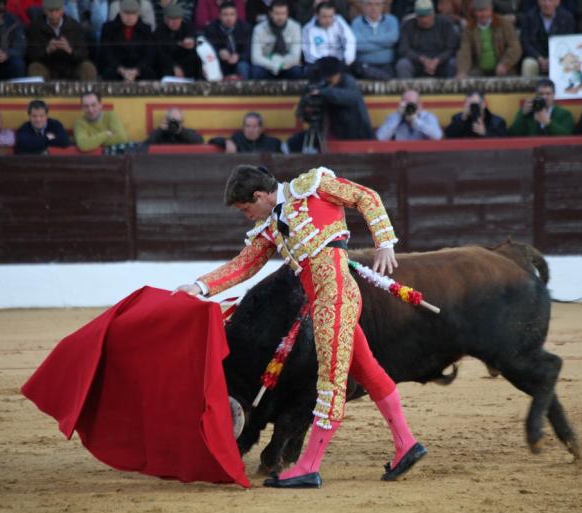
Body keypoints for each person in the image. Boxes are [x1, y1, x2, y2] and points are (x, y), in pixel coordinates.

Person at [176, 164, 427, 489]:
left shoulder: (314, 187)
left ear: (260, 195)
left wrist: (385, 243)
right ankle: (406, 444)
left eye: (245, 208)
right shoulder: (271, 225)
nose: (246, 216)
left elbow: (366, 197)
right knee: (366, 370)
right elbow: (244, 265)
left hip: (333, 298)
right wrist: (200, 286)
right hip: (328, 299)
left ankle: (309, 465)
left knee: (330, 381)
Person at [287, 56, 374, 152]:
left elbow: (350, 97)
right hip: (331, 131)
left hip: (354, 133)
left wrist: (323, 92)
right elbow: (303, 113)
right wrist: (308, 111)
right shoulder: (321, 84)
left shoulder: (346, 81)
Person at [26, 0, 97, 81]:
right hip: (48, 67)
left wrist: (70, 50)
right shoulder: (36, 27)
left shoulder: (74, 26)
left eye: (57, 10)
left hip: (70, 67)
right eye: (50, 11)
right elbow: (31, 55)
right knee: (34, 68)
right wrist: (47, 51)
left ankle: (88, 94)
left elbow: (84, 54)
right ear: (45, 11)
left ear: (63, 10)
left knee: (88, 68)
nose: (54, 15)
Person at [456, 0, 521, 78]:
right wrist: (462, 71)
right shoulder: (469, 28)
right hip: (479, 70)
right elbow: (464, 52)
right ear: (474, 12)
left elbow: (515, 47)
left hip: (503, 70)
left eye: (486, 10)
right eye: (480, 11)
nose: (483, 14)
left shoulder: (504, 23)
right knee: (468, 80)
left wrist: (505, 64)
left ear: (491, 10)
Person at [396, 0, 459, 78]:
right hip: (417, 62)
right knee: (403, 64)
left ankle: (452, 89)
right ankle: (408, 90)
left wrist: (437, 60)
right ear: (416, 16)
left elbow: (451, 48)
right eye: (421, 16)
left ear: (433, 14)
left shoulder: (445, 24)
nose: (424, 20)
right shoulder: (408, 25)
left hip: (441, 62)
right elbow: (403, 49)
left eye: (427, 16)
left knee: (452, 63)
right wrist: (422, 60)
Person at [99, 0, 157, 81]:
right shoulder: (108, 28)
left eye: (133, 14)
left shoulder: (146, 29)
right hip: (116, 69)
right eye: (126, 13)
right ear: (120, 13)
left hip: (139, 69)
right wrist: (120, 69)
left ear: (138, 14)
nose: (130, 17)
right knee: (109, 75)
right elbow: (106, 53)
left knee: (150, 74)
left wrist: (137, 70)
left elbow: (149, 54)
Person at [250, 0, 304, 80]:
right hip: (267, 67)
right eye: (277, 13)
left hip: (286, 66)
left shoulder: (295, 27)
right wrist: (275, 65)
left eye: (283, 13)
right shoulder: (259, 29)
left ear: (287, 13)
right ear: (270, 14)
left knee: (296, 71)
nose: (280, 17)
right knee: (256, 71)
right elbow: (256, 58)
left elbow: (295, 56)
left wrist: (281, 64)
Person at [519, 0, 574, 77]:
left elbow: (569, 42)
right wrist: (539, 58)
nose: (547, 4)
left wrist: (552, 59)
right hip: (536, 57)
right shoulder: (529, 18)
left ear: (558, 2)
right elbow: (525, 42)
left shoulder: (567, 18)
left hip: (559, 57)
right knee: (528, 64)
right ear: (538, 2)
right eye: (544, 0)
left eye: (550, 1)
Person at [350, 0, 399, 81]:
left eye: (377, 4)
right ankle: (382, 77)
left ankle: (380, 76)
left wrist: (368, 40)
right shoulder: (356, 23)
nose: (373, 8)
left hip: (387, 64)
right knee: (361, 69)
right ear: (363, 6)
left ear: (382, 6)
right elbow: (358, 45)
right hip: (365, 65)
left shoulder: (391, 20)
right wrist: (383, 44)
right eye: (369, 4)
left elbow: (392, 40)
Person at [203, 1, 252, 79]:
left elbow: (249, 50)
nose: (229, 18)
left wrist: (238, 56)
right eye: (225, 14)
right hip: (220, 61)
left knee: (243, 66)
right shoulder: (211, 29)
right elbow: (206, 49)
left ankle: (245, 90)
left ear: (236, 15)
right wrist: (219, 52)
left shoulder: (245, 28)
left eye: (232, 14)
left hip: (239, 61)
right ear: (219, 16)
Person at [301, 1, 357, 70]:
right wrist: (326, 66)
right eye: (324, 17)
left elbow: (350, 40)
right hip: (318, 67)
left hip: (340, 64)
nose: (328, 20)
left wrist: (347, 61)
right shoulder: (308, 29)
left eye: (331, 16)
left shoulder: (339, 21)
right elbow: (310, 55)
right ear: (316, 15)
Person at [509, 78, 574, 136]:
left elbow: (568, 137)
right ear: (536, 95)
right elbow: (513, 134)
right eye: (541, 94)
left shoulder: (565, 114)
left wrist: (548, 123)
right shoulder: (527, 111)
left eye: (548, 94)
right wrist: (522, 114)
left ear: (554, 95)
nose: (544, 97)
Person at [376, 89, 444, 141]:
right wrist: (399, 115)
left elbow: (437, 136)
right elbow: (380, 138)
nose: (408, 108)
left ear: (419, 105)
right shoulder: (394, 117)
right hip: (401, 156)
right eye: (406, 104)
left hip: (423, 156)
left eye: (411, 104)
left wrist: (415, 121)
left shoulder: (428, 117)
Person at [154, 1, 199, 78]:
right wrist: (173, 66)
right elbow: (161, 53)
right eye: (172, 19)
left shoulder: (187, 27)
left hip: (185, 63)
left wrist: (192, 43)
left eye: (178, 19)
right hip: (167, 65)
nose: (175, 22)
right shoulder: (159, 31)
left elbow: (194, 40)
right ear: (165, 19)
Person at [209, 112, 285, 153]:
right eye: (247, 126)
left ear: (261, 128)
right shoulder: (236, 139)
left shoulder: (273, 143)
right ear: (243, 128)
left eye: (254, 126)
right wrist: (227, 141)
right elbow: (212, 141)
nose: (250, 129)